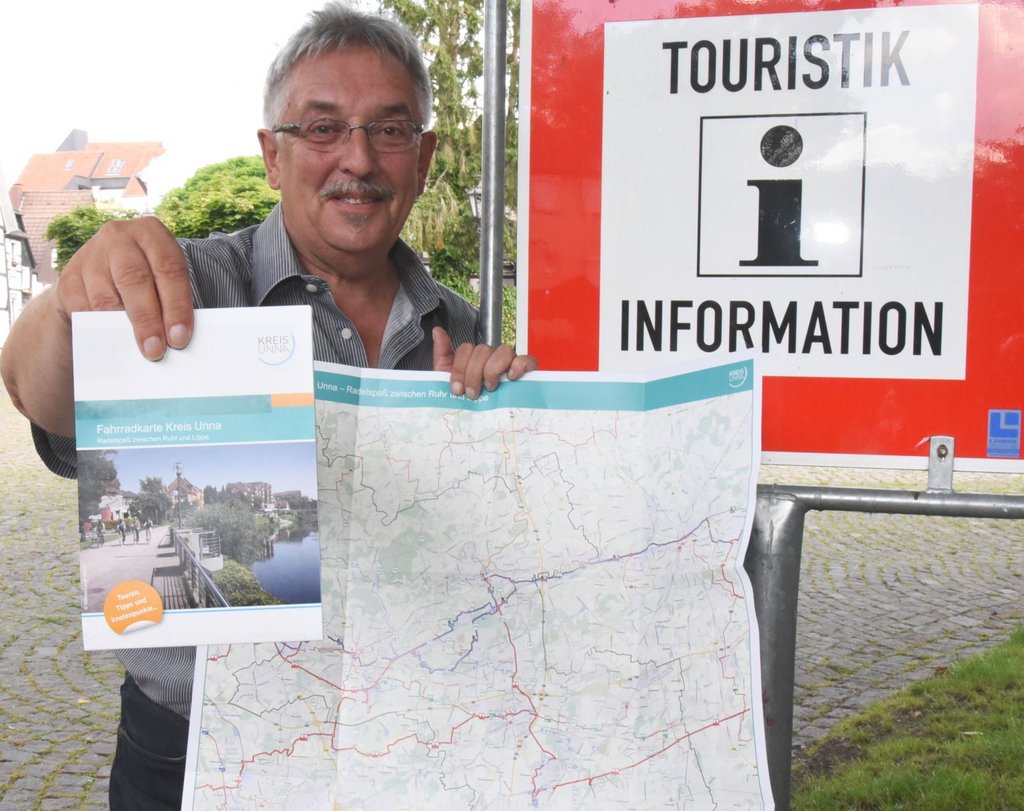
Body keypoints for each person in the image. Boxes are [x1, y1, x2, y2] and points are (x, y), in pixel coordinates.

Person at [0, 5, 535, 809]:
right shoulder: (181, 289)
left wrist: (507, 425)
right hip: (187, 749)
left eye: (390, 130)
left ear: (423, 159)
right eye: (322, 128)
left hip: (395, 738)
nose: (358, 158)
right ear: (272, 156)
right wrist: (69, 303)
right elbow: (39, 396)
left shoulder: (459, 327)